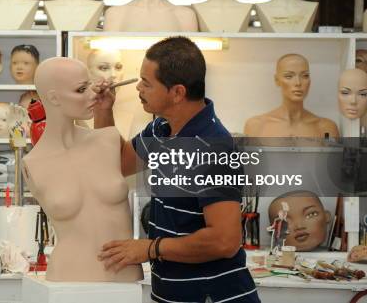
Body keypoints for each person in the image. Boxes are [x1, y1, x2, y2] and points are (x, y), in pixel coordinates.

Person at [94, 36, 260, 303]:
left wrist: (150, 248)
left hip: (213, 296)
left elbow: (224, 240)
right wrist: (104, 111)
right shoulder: (161, 129)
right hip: (173, 293)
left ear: (178, 92)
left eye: (147, 83)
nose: (138, 87)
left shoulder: (212, 148)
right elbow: (116, 165)